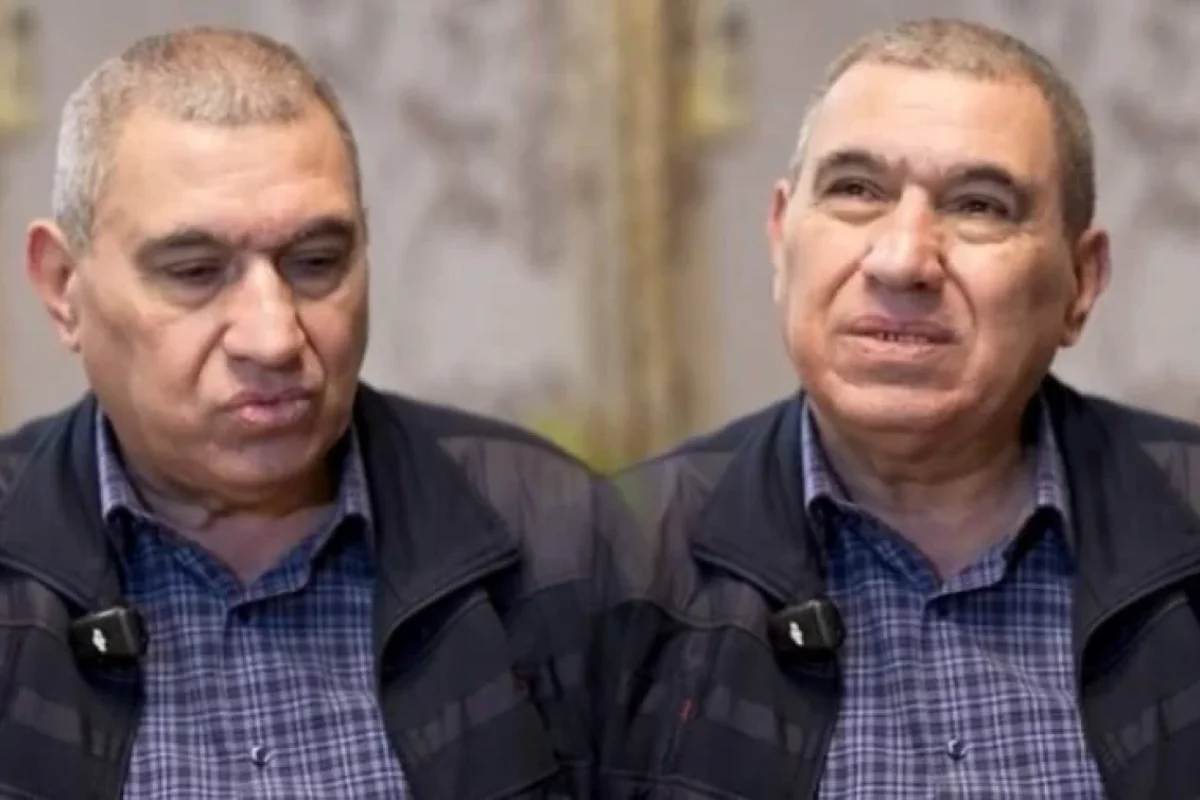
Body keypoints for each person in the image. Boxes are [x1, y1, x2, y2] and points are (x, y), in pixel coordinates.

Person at [0, 27, 644, 799]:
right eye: (196, 272)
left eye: (315, 263)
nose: (274, 338)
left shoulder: (558, 540)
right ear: (62, 286)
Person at [612, 17, 1200, 799]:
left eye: (980, 205)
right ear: (782, 239)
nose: (901, 260)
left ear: (1080, 283)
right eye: (856, 191)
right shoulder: (612, 568)